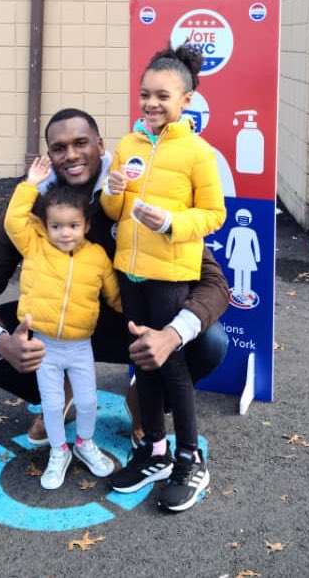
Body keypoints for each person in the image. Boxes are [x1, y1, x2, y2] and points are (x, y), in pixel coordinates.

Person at [0, 107, 229, 450]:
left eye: (80, 143)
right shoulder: (32, 203)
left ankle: (147, 398)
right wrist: (4, 343)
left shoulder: (138, 192)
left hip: (130, 324)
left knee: (210, 342)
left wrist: (170, 335)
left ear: (100, 145)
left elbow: (214, 283)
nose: (71, 155)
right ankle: (56, 390)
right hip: (56, 328)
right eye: (59, 148)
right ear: (49, 156)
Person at [101, 44, 226, 512]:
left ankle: (190, 458)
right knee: (143, 364)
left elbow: (213, 214)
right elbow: (114, 210)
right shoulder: (128, 145)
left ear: (186, 101)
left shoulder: (198, 152)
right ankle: (154, 450)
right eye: (144, 95)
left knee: (171, 365)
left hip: (171, 275)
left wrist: (172, 223)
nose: (151, 104)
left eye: (162, 96)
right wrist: (113, 191)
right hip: (129, 273)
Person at [3, 156, 121, 489]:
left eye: (72, 225)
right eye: (56, 226)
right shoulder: (35, 245)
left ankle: (84, 443)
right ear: (46, 226)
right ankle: (59, 450)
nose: (64, 233)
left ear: (85, 226)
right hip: (44, 346)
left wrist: (139, 316)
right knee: (53, 405)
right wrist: (30, 185)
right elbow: (14, 221)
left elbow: (114, 295)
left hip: (80, 345)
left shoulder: (97, 256)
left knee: (87, 401)